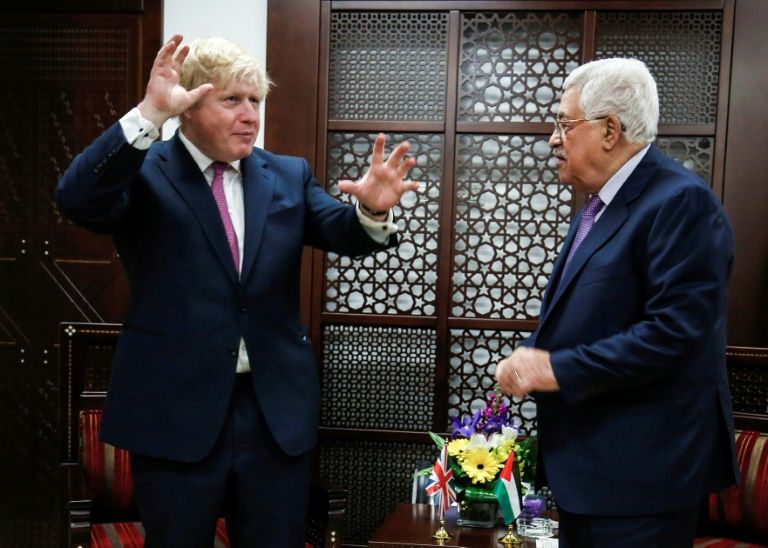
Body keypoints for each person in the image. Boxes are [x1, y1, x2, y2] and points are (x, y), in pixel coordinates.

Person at [56, 34, 418, 547]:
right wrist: (148, 113)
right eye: (232, 101)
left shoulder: (287, 175)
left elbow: (346, 233)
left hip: (271, 414)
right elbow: (76, 199)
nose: (250, 115)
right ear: (188, 105)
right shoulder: (145, 172)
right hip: (175, 412)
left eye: (255, 101)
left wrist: (373, 209)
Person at [495, 58, 737, 547]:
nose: (552, 139)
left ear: (610, 130)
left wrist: (556, 369)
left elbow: (675, 334)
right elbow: (589, 316)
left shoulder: (680, 202)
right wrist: (530, 356)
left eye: (564, 123)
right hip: (594, 474)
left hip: (643, 477)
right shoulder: (598, 205)